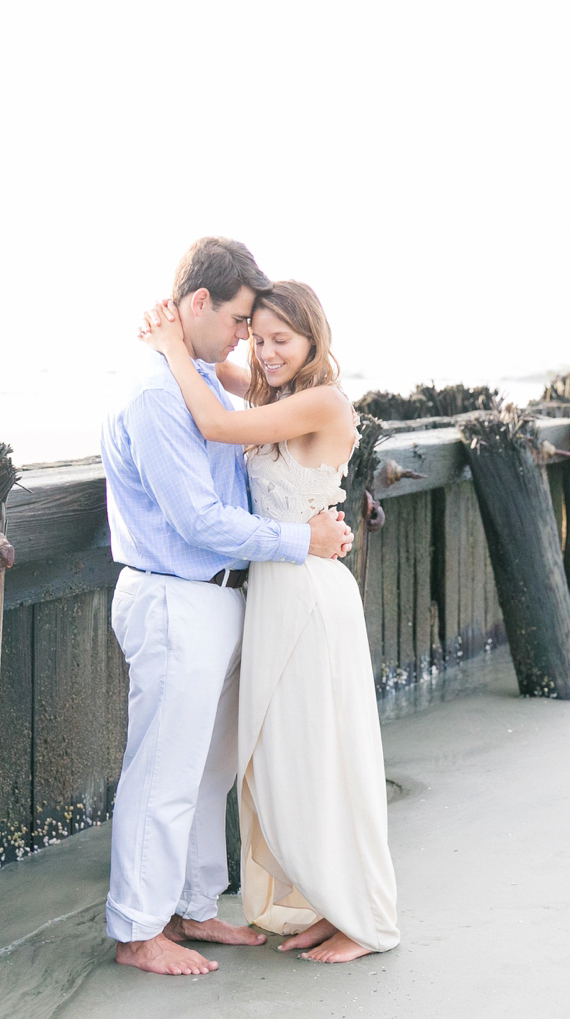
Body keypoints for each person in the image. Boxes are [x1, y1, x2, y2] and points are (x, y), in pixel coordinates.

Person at [101, 237, 355, 977]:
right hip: (175, 597)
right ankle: (137, 930)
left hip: (220, 599)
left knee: (209, 772)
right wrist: (301, 539)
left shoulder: (202, 376)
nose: (249, 338)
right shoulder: (157, 394)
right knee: (163, 772)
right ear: (199, 305)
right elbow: (198, 521)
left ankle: (195, 906)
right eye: (243, 321)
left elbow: (250, 432)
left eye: (265, 329)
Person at [139, 279, 400, 963]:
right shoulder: (273, 391)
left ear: (314, 339)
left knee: (324, 759)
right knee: (282, 765)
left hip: (310, 598)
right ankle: (324, 901)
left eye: (282, 339)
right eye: (258, 336)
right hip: (275, 598)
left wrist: (173, 348)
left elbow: (216, 422)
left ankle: (364, 920)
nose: (266, 351)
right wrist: (183, 335)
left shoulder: (321, 400)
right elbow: (215, 365)